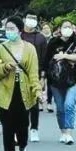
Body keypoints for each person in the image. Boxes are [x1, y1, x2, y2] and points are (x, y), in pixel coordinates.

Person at [0, 16, 42, 151]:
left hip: (24, 91)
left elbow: (33, 73)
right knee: (7, 126)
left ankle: (22, 149)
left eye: (12, 28)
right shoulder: (0, 48)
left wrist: (37, 91)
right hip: (5, 91)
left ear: (19, 30)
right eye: (7, 28)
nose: (9, 31)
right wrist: (5, 67)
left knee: (22, 126)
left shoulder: (30, 49)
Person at [44, 20, 76, 144]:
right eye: (64, 27)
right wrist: (43, 76)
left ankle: (69, 133)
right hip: (55, 80)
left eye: (69, 27)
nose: (67, 29)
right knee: (61, 107)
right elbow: (46, 61)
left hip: (73, 80)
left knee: (69, 105)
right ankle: (63, 131)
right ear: (60, 29)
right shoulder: (53, 42)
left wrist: (65, 56)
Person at [20, 14, 50, 143]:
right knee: (20, 103)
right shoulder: (19, 35)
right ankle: (21, 128)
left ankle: (34, 129)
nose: (31, 21)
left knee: (34, 103)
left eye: (34, 18)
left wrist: (43, 76)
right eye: (29, 18)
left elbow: (45, 58)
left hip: (35, 74)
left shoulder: (41, 38)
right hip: (19, 73)